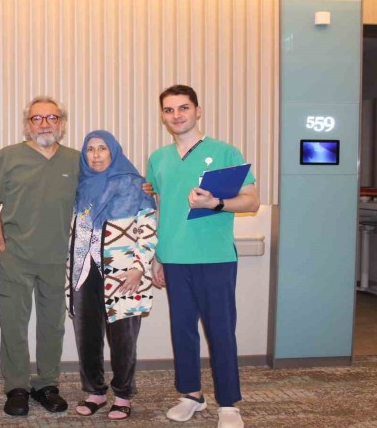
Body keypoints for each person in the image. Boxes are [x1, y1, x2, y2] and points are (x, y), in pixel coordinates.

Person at [146, 85, 259, 428]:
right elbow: (160, 207)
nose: (176, 115)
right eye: (169, 110)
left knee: (220, 330)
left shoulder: (225, 152)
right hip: (174, 257)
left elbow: (251, 200)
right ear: (163, 116)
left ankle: (228, 403)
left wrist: (216, 203)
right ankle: (191, 395)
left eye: (183, 108)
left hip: (215, 257)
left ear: (198, 111)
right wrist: (158, 255)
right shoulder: (158, 158)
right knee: (182, 329)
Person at [0, 96, 79, 416]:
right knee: (13, 324)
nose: (44, 124)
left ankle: (47, 384)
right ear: (27, 124)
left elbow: (104, 189)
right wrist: (0, 245)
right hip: (16, 257)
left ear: (62, 123)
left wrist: (142, 188)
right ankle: (17, 387)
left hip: (57, 257)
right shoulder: (7, 157)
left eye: (52, 118)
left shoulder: (76, 160)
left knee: (53, 325)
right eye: (37, 118)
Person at [67, 130, 158, 421]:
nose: (96, 155)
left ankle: (123, 395)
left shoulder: (134, 185)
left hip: (123, 273)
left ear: (114, 152)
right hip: (84, 272)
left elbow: (148, 230)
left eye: (102, 148)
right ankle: (95, 391)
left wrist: (139, 267)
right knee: (87, 336)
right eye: (90, 149)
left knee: (123, 338)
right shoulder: (80, 186)